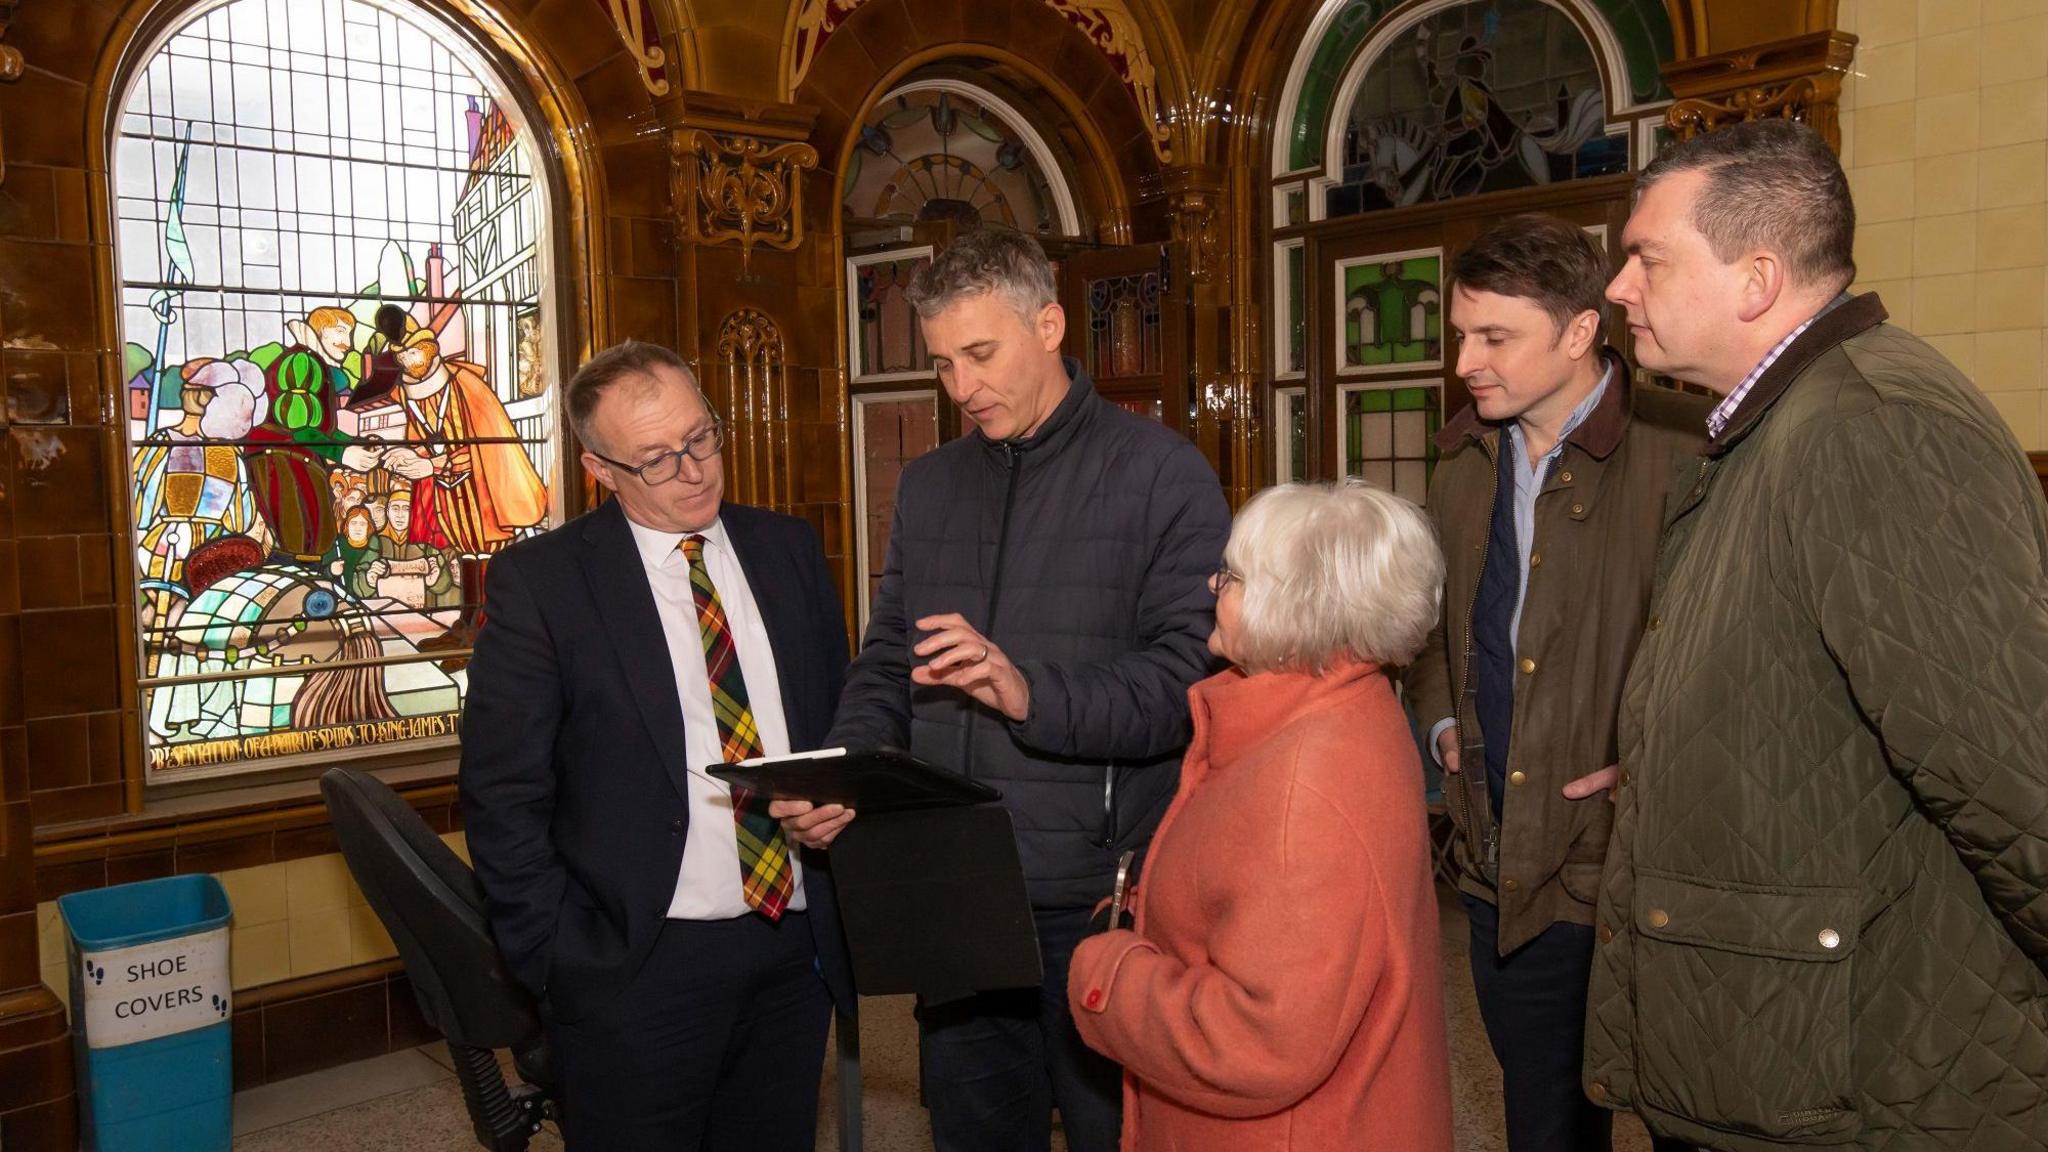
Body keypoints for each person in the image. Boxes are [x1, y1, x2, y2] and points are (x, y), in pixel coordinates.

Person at [1587, 118, 2048, 1148]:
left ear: (1753, 280)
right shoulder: (1792, 421)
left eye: (1643, 259)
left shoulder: (1872, 429)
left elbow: (2012, 777)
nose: (1617, 289)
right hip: (1788, 1044)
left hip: (1866, 1072)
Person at [777, 228, 1230, 1152]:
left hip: (1100, 892)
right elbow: (888, 662)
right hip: (957, 882)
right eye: (944, 363)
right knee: (977, 1130)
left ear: (1052, 324)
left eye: (981, 354)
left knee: (1118, 1130)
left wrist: (1030, 691)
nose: (961, 387)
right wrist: (845, 775)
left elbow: (1191, 681)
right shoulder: (932, 486)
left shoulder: (1162, 473)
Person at [461, 340, 854, 1150]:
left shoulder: (788, 550)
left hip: (792, 940)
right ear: (600, 469)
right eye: (656, 459)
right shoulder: (544, 584)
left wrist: (841, 794)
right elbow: (503, 794)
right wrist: (558, 958)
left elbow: (837, 720)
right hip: (636, 961)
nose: (694, 470)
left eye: (701, 437)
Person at [1403, 213, 1709, 1151]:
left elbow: (1736, 647)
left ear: (1580, 332)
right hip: (1500, 859)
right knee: (1545, 1123)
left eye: (1495, 337)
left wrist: (1652, 761)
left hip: (1642, 865)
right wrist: (1444, 716)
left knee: (1691, 1121)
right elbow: (1438, 627)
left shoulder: (1690, 447)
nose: (1466, 362)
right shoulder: (1463, 458)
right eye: (1462, 334)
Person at [1066, 480, 1453, 1152]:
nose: (1211, 585)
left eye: (1234, 576)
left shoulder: (1305, 782)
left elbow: (1258, 1041)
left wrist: (1109, 976)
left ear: (1297, 607)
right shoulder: (1350, 707)